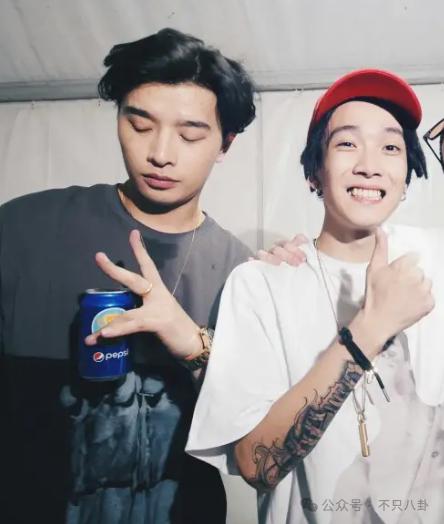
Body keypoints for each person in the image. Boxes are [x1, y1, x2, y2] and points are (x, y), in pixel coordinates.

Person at [0, 27, 261, 524]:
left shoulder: (244, 274)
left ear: (225, 143)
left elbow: (255, 445)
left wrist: (197, 345)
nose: (160, 153)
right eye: (139, 125)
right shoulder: (21, 228)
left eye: (189, 135)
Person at [187, 69, 444, 524]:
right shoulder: (260, 284)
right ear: (313, 172)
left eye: (390, 147)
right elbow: (257, 465)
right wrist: (369, 331)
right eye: (347, 143)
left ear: (407, 177)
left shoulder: (434, 259)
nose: (370, 164)